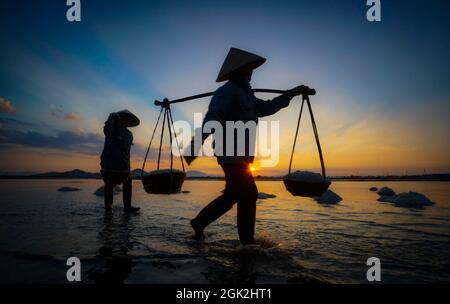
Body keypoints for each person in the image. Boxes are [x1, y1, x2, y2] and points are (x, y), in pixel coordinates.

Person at [185, 48, 311, 245]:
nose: (252, 73)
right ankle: (247, 242)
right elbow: (213, 117)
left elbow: (266, 108)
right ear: (240, 70)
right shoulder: (226, 92)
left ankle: (200, 222)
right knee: (249, 193)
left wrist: (290, 94)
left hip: (243, 155)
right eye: (249, 69)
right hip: (229, 152)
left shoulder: (247, 96)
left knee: (232, 194)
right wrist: (195, 145)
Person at [100, 109, 141, 213]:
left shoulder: (129, 135)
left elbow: (127, 153)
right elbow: (106, 130)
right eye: (125, 119)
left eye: (129, 120)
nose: (127, 121)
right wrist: (111, 116)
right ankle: (108, 208)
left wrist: (128, 167)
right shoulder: (112, 128)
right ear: (120, 119)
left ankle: (127, 207)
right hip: (109, 164)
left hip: (123, 166)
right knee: (109, 185)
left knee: (128, 181)